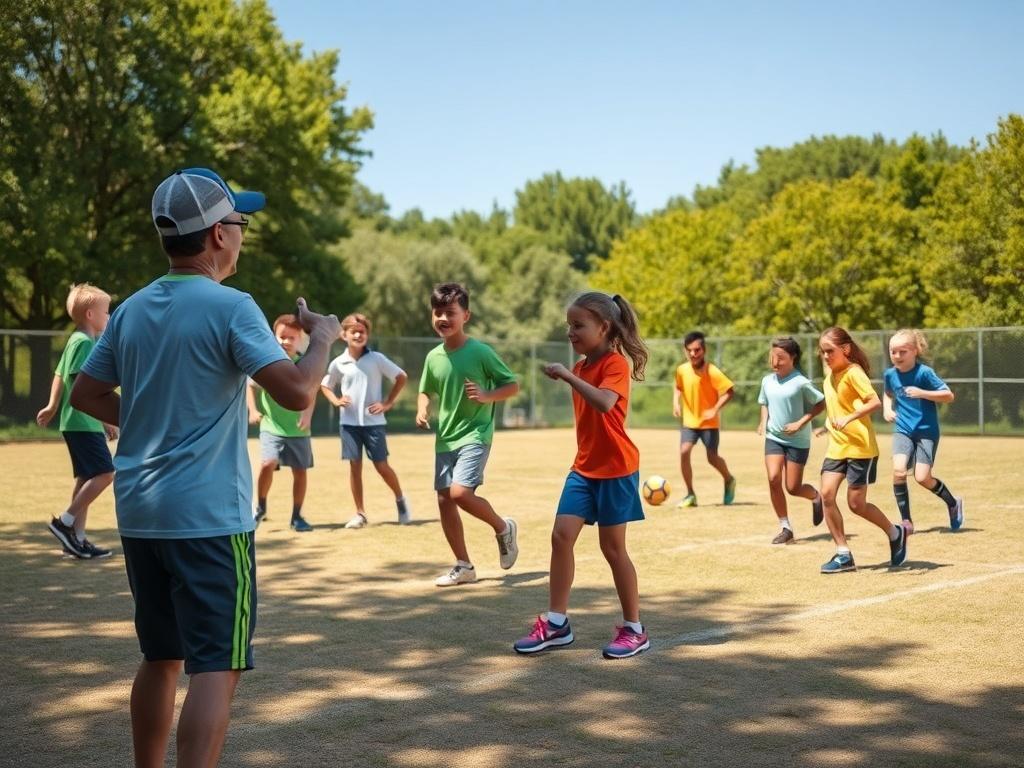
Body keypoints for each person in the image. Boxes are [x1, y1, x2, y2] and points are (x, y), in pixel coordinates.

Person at [71, 168, 340, 767]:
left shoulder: (134, 309)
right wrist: (321, 337)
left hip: (140, 512)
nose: (243, 234)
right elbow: (297, 392)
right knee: (216, 665)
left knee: (160, 655)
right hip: (208, 517)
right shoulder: (232, 306)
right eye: (240, 223)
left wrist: (142, 422)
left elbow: (84, 396)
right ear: (219, 234)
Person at [513, 292, 651, 659]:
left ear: (604, 327)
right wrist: (570, 375)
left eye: (579, 325)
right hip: (584, 468)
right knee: (561, 537)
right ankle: (556, 623)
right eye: (568, 326)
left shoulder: (615, 365)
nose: (571, 332)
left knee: (612, 549)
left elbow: (606, 403)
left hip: (617, 469)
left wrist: (567, 377)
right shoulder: (580, 368)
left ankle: (634, 629)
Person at [415, 282, 520, 586]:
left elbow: (511, 385)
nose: (443, 318)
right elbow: (425, 390)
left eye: (450, 312)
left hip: (475, 434)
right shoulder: (433, 357)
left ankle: (503, 528)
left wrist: (487, 396)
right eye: (437, 312)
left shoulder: (480, 352)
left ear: (466, 316)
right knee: (445, 500)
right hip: (445, 438)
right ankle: (464, 566)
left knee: (460, 493)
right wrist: (422, 408)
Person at [817, 327, 908, 574]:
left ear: (845, 349)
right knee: (826, 494)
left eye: (829, 351)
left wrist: (848, 418)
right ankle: (843, 554)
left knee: (856, 504)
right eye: (822, 352)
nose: (825, 356)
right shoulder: (828, 379)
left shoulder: (854, 372)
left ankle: (894, 532)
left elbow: (875, 402)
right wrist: (827, 426)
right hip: (837, 447)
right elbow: (836, 409)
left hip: (860, 448)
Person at [36, 282, 117, 559]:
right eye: (106, 312)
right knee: (106, 473)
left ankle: (77, 541)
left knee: (86, 478)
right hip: (84, 423)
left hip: (78, 423)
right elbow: (80, 384)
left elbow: (60, 374)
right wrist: (106, 418)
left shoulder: (75, 340)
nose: (109, 317)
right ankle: (65, 523)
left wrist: (51, 405)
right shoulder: (84, 343)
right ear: (91, 315)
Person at [320, 312, 411, 528]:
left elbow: (401, 377)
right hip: (349, 425)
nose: (359, 335)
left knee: (381, 466)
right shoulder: (338, 363)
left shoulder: (376, 359)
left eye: (363, 332)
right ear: (344, 335)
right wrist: (335, 400)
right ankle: (360, 513)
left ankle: (401, 500)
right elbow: (325, 385)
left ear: (367, 335)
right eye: (354, 331)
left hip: (374, 424)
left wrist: (387, 403)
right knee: (355, 467)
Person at [883, 329, 963, 533]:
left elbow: (948, 395)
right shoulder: (890, 374)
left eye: (903, 351)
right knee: (899, 471)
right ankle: (906, 522)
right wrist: (887, 408)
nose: (897, 356)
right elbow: (888, 393)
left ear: (915, 351)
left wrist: (923, 393)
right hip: (903, 430)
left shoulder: (924, 373)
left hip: (927, 432)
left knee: (922, 478)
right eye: (893, 352)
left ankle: (953, 503)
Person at [248, 314, 316, 532]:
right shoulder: (267, 362)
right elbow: (250, 385)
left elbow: (311, 390)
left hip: (298, 429)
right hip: (271, 426)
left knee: (300, 470)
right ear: (274, 336)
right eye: (282, 336)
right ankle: (260, 507)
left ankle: (297, 516)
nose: (286, 341)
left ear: (299, 340)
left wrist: (307, 415)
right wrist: (253, 410)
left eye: (292, 338)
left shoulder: (304, 364)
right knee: (267, 463)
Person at [756, 337, 826, 544]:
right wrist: (763, 422)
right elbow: (764, 402)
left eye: (781, 358)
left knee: (793, 487)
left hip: (798, 441)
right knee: (773, 478)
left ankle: (815, 496)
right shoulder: (767, 380)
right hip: (774, 437)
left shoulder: (801, 383)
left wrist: (800, 423)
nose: (775, 362)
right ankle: (785, 527)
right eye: (773, 357)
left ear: (793, 358)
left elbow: (821, 404)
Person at [672, 331, 737, 507]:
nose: (693, 354)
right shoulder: (682, 370)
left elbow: (730, 391)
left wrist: (715, 409)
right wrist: (675, 403)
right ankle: (690, 494)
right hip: (690, 422)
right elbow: (678, 387)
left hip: (709, 423)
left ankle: (729, 479)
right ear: (685, 351)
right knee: (684, 451)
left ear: (704, 350)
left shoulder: (712, 371)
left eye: (697, 350)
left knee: (712, 458)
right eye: (690, 350)